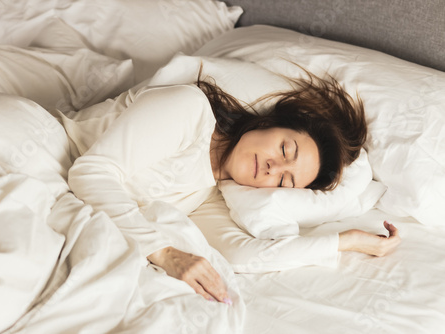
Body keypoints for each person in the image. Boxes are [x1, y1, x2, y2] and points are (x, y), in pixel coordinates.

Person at [68, 69, 401, 305]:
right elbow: (90, 173)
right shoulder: (189, 110)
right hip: (40, 154)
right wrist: (165, 254)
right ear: (269, 123)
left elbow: (241, 255)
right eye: (285, 149)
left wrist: (346, 242)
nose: (273, 167)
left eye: (284, 181)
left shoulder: (212, 191)